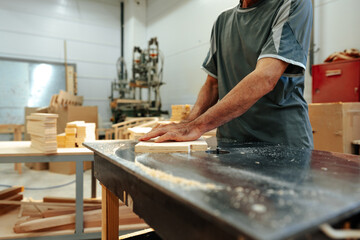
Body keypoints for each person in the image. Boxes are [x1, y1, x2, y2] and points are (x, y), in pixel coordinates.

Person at [140, 0, 314, 149]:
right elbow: (212, 84)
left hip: (281, 144)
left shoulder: (291, 3)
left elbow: (266, 77)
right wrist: (188, 123)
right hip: (231, 144)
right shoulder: (223, 21)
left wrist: (198, 126)